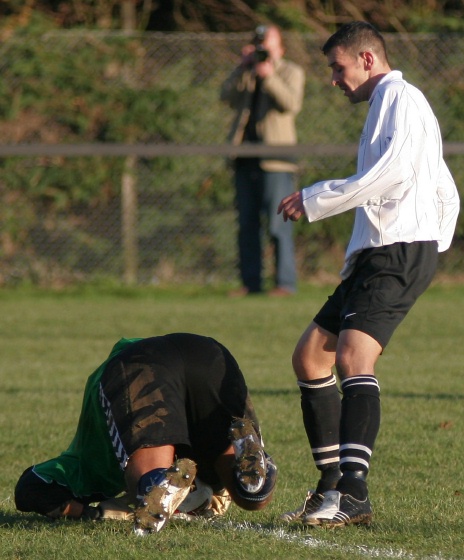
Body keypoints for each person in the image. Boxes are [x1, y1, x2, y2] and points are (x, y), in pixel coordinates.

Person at [277, 21, 460, 527]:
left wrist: (316, 197)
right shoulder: (388, 105)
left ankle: (354, 494)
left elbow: (390, 175)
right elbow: (441, 182)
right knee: (311, 358)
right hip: (382, 252)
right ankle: (330, 489)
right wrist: (438, 231)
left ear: (366, 60)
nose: (333, 80)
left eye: (337, 69)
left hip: (397, 252)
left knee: (355, 357)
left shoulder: (401, 98)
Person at [14, 333, 277, 534]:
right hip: (207, 351)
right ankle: (253, 480)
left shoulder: (86, 464)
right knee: (251, 498)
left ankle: (155, 483)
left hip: (140, 363)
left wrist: (92, 514)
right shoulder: (210, 474)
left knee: (146, 487)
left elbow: (31, 487)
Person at [220, 24, 305, 297]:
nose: (261, 49)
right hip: (245, 158)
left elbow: (291, 104)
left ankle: (285, 283)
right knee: (247, 225)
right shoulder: (247, 72)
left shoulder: (290, 71)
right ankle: (250, 283)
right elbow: (225, 96)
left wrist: (268, 76)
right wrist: (241, 68)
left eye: (266, 44)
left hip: (276, 159)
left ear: (279, 47)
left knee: (279, 224)